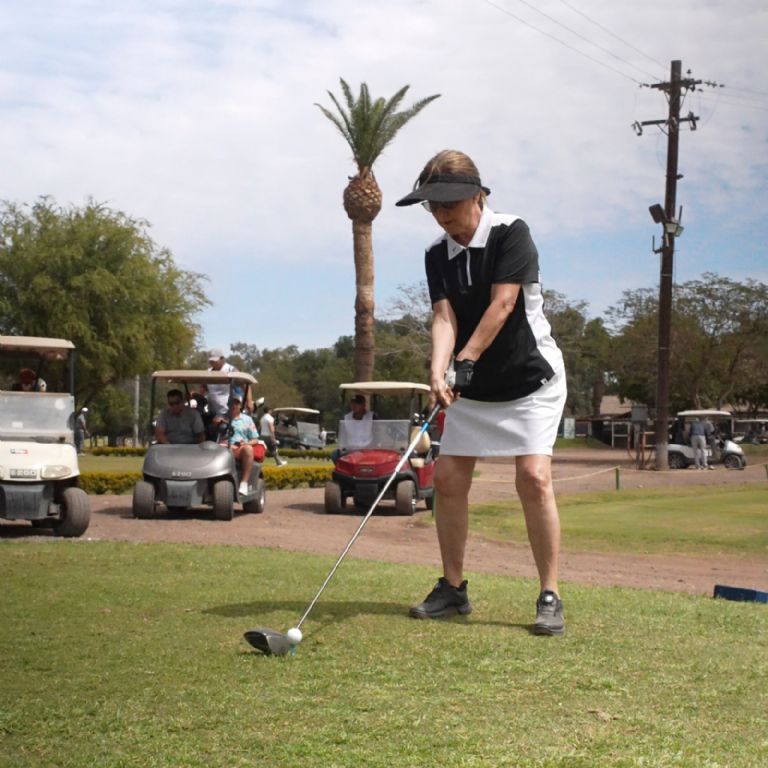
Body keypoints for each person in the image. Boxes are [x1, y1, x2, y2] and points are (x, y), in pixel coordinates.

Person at [396, 149, 567, 635]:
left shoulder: (511, 232)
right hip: (474, 386)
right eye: (433, 208)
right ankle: (453, 589)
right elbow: (444, 316)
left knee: (533, 478)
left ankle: (549, 593)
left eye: (448, 204)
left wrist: (463, 361)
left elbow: (504, 303)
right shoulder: (436, 254)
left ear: (477, 195)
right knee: (448, 480)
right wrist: (438, 368)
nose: (442, 216)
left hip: (530, 379)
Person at [227, 395, 263, 495]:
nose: (234, 405)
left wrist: (246, 443)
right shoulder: (222, 417)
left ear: (240, 405)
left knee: (248, 449)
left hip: (239, 448)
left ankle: (244, 483)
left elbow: (255, 439)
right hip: (224, 448)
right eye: (231, 403)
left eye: (236, 403)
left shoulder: (247, 420)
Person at [331, 394, 374, 462]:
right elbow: (343, 436)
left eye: (357, 403)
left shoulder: (372, 417)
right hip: (351, 449)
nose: (354, 406)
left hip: (367, 449)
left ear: (364, 405)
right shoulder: (346, 418)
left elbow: (378, 435)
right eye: (353, 403)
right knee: (335, 455)